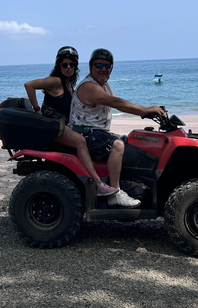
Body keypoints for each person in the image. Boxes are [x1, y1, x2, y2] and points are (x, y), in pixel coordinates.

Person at [69, 48, 165, 208]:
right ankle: (115, 192)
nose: (103, 69)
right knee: (118, 145)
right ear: (91, 66)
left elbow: (116, 101)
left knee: (130, 141)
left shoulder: (103, 84)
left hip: (96, 132)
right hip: (86, 134)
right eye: (99, 65)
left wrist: (143, 114)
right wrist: (144, 109)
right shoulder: (89, 86)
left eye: (107, 66)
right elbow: (115, 103)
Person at [24, 46, 118, 196]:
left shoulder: (67, 83)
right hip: (53, 126)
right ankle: (98, 183)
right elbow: (29, 85)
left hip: (61, 125)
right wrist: (37, 110)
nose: (68, 67)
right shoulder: (55, 81)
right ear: (58, 66)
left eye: (72, 65)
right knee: (80, 141)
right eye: (64, 64)